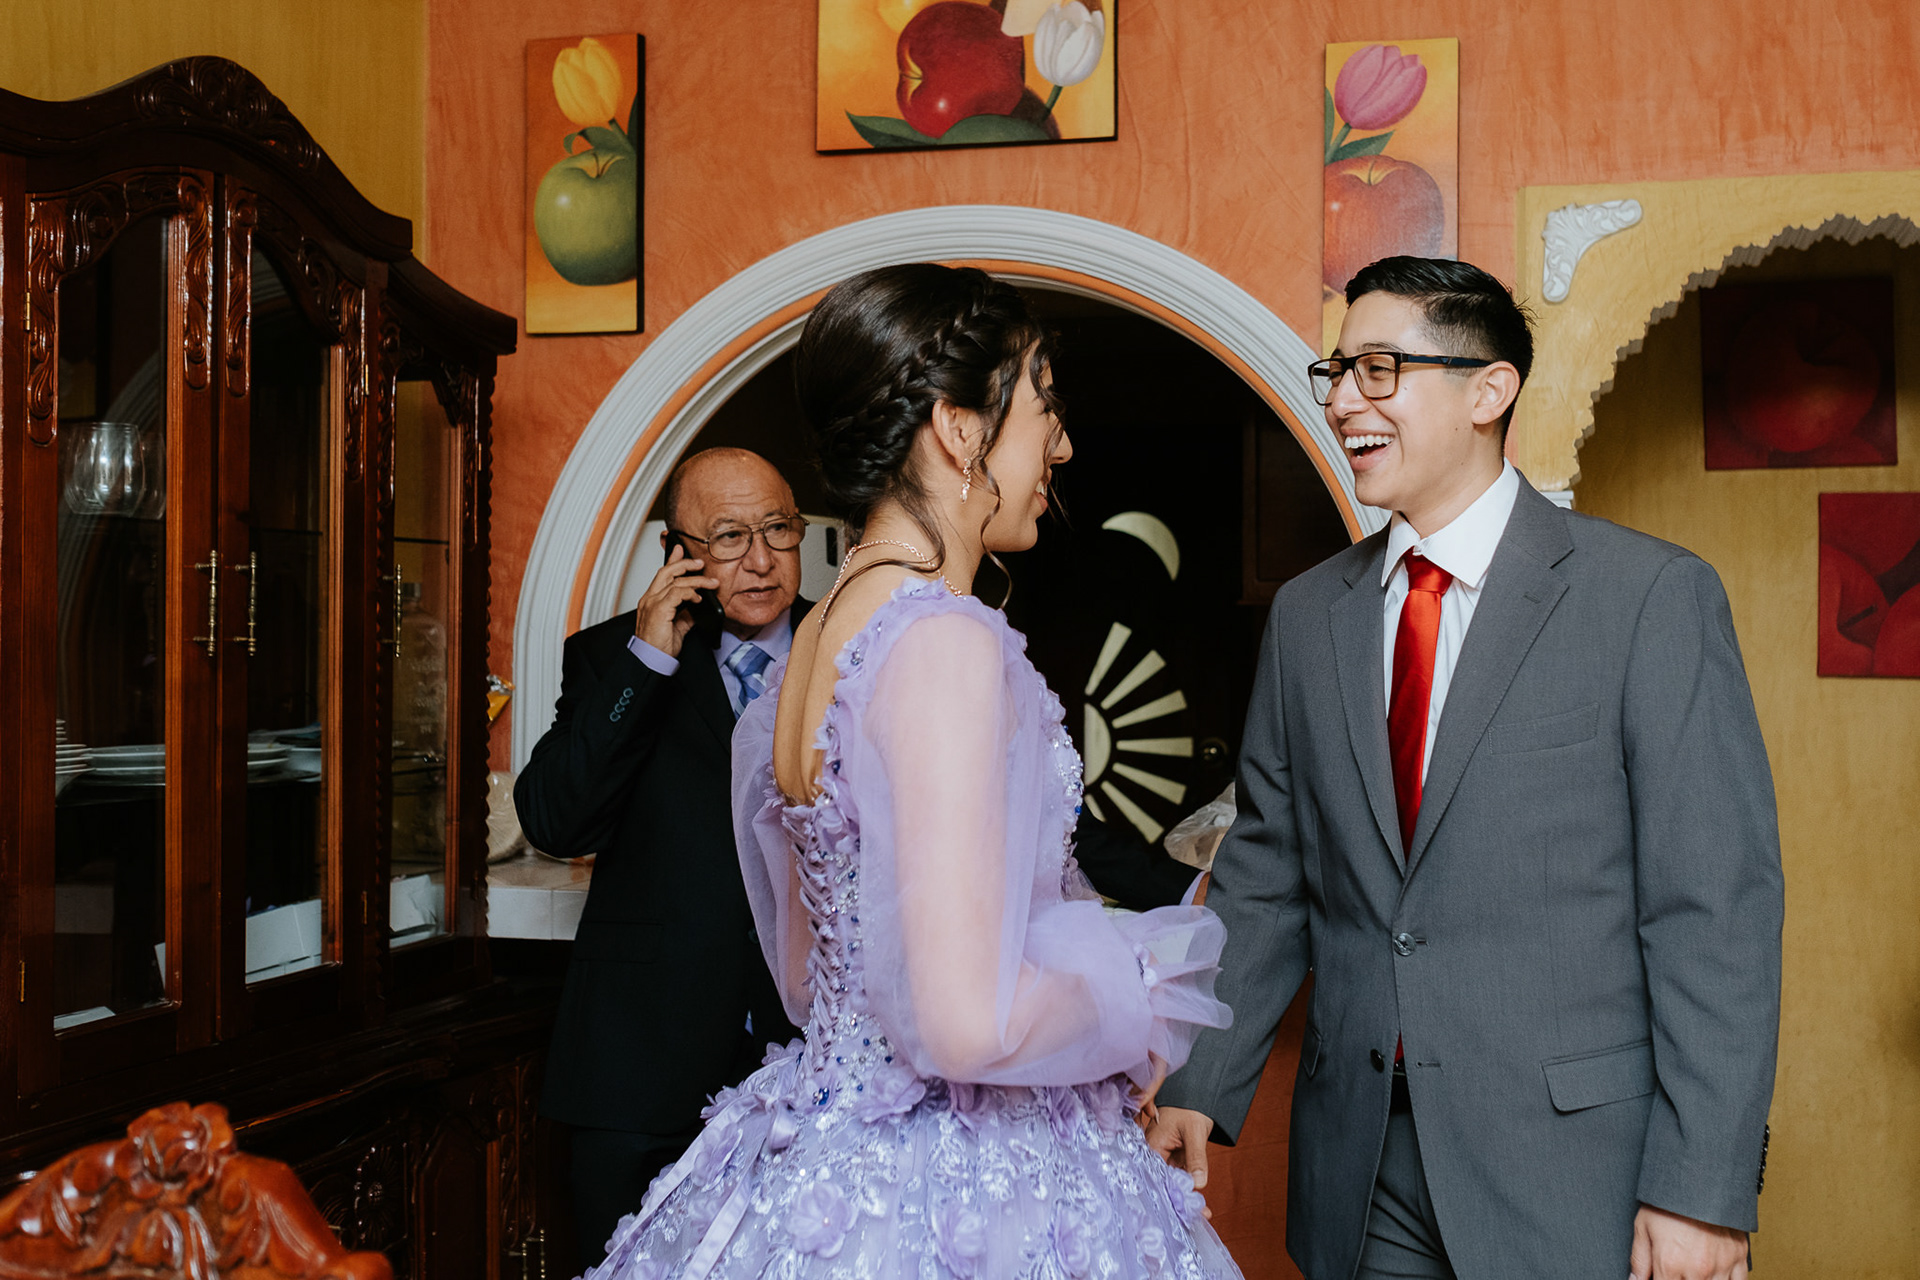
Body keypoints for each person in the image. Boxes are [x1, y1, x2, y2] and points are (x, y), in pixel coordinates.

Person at [586, 263, 1241, 1280]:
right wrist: (1140, 984)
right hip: (951, 1174)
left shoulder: (820, 643)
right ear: (958, 427)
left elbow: (810, 974)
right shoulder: (941, 642)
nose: (1061, 445)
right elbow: (961, 1025)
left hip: (823, 1130)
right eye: (1044, 406)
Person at [1149, 257, 1783, 1280]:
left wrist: (1701, 1187)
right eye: (1339, 372)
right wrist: (1200, 1076)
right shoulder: (1309, 617)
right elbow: (1267, 872)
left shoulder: (1648, 598)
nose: (1344, 400)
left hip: (1576, 1167)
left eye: (1381, 369)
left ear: (1489, 391)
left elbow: (1714, 913)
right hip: (1362, 1162)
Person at [516, 447, 812, 1269]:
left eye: (777, 529)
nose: (760, 560)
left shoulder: (851, 647)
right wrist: (648, 661)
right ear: (677, 552)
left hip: (808, 1066)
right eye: (729, 537)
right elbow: (555, 821)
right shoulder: (613, 657)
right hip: (639, 1070)